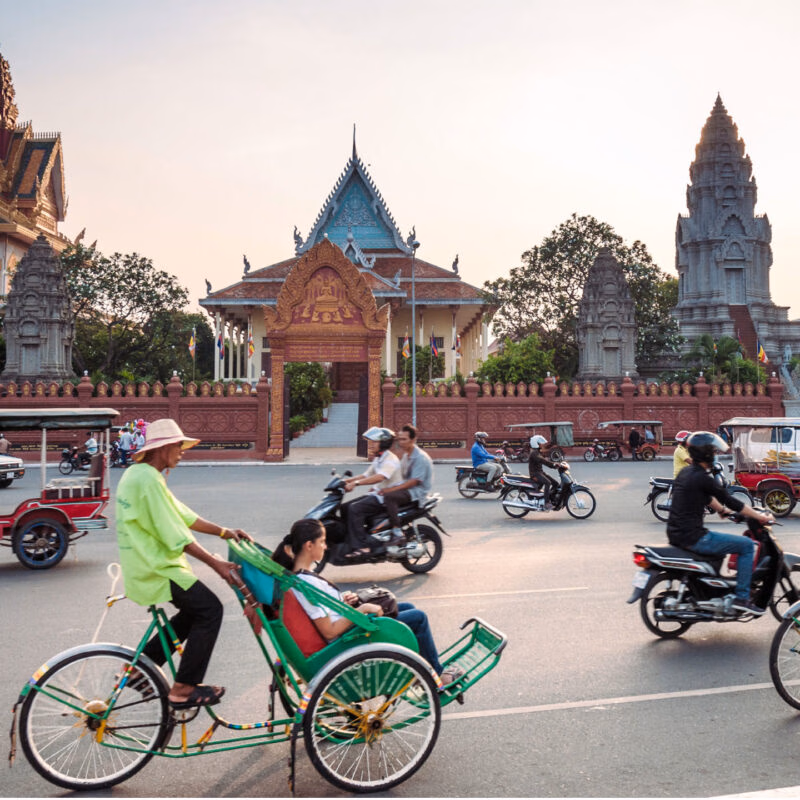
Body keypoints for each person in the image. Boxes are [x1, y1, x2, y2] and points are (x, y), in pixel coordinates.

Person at [115, 418, 254, 709]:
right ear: (163, 448)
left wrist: (223, 531)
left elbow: (183, 515)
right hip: (156, 566)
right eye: (179, 446)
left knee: (193, 613)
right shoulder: (148, 479)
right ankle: (183, 688)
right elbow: (175, 533)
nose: (182, 451)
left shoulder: (141, 475)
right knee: (211, 610)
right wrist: (215, 563)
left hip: (147, 563)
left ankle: (139, 669)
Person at [273, 518, 464, 686]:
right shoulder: (306, 584)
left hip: (347, 630)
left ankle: (420, 673)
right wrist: (362, 609)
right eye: (322, 542)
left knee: (407, 608)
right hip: (346, 641)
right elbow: (329, 631)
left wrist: (343, 602)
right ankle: (436, 677)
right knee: (418, 618)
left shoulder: (301, 578)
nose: (325, 546)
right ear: (309, 546)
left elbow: (326, 611)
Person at [666, 430, 774, 615]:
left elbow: (707, 498)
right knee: (747, 545)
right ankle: (741, 597)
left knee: (724, 546)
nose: (716, 455)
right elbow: (732, 501)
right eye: (714, 452)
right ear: (707, 453)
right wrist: (760, 517)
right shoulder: (703, 477)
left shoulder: (686, 472)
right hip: (694, 537)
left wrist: (722, 511)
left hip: (676, 533)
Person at [342, 426, 403, 557]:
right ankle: (352, 540)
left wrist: (356, 483)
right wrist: (346, 481)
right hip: (377, 494)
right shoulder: (379, 458)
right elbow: (366, 475)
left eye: (375, 442)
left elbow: (380, 477)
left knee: (355, 509)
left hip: (386, 497)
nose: (371, 444)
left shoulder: (390, 459)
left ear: (384, 443)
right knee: (344, 508)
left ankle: (363, 547)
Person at [379, 424, 434, 542]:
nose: (401, 442)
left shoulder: (420, 457)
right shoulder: (406, 455)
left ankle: (397, 531)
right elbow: (401, 476)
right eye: (399, 439)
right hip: (408, 489)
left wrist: (389, 490)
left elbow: (412, 482)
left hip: (417, 492)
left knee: (389, 497)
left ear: (413, 440)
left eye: (404, 439)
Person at [527, 435, 561, 510]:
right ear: (536, 444)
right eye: (541, 443)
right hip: (535, 473)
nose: (542, 445)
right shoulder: (534, 453)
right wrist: (553, 465)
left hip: (540, 472)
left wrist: (556, 463)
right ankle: (546, 502)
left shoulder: (538, 452)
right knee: (548, 482)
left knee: (555, 483)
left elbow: (545, 458)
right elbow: (543, 461)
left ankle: (550, 497)